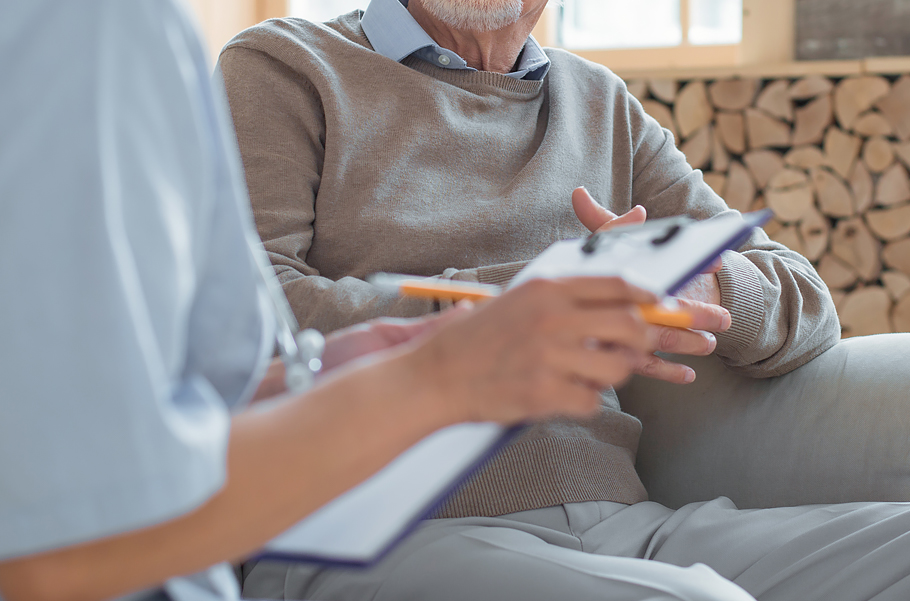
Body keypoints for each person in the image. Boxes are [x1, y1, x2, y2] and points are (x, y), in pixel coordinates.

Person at [216, 1, 910, 600]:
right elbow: (246, 315)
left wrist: (708, 284)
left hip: (623, 527)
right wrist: (521, 304)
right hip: (384, 535)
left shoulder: (599, 103)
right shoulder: (284, 66)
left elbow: (807, 301)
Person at [0, 1, 678, 600]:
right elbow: (62, 533)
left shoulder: (602, 100)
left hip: (621, 513)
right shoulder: (113, 30)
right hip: (383, 533)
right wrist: (449, 349)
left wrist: (327, 364)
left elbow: (180, 392)